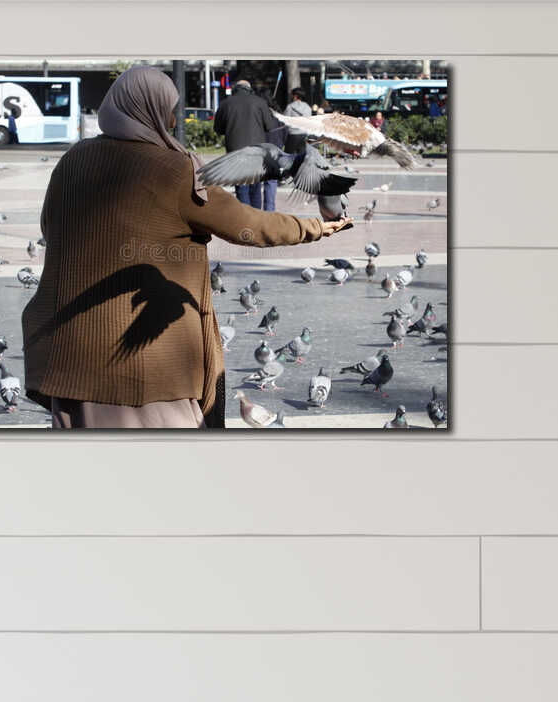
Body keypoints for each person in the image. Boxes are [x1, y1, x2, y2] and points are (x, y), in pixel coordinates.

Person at [22, 65, 351, 429]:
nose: (173, 117)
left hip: (73, 359)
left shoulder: (73, 160)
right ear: (154, 109)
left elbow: (48, 228)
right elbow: (248, 226)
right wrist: (315, 228)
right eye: (170, 109)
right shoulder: (175, 169)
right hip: (149, 370)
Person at [213, 78, 286, 211]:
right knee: (255, 186)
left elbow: (218, 129)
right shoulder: (260, 102)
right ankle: (256, 215)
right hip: (257, 151)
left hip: (235, 152)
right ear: (249, 89)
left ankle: (244, 215)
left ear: (236, 88)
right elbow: (269, 126)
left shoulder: (225, 103)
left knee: (241, 186)